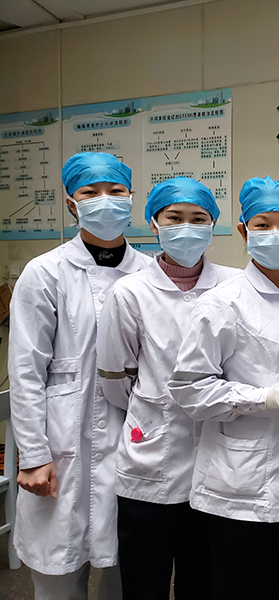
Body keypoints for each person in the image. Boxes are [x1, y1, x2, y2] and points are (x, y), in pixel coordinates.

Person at [9, 152, 150, 599]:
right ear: (71, 202)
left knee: (125, 572)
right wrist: (33, 455)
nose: (105, 200)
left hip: (133, 438)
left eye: (115, 191)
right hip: (61, 437)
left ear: (131, 197)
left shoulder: (150, 272)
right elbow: (26, 370)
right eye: (91, 192)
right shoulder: (45, 272)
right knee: (57, 571)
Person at [168, 176, 279, 600]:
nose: (276, 234)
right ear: (243, 231)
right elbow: (189, 389)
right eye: (262, 225)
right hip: (240, 489)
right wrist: (260, 397)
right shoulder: (223, 301)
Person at [96, 177, 239, 599]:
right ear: (154, 223)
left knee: (204, 582)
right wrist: (155, 407)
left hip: (218, 463)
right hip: (150, 461)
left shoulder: (233, 285)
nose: (187, 227)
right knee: (145, 583)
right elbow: (116, 378)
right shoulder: (129, 292)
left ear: (213, 225)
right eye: (174, 218)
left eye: (199, 218)